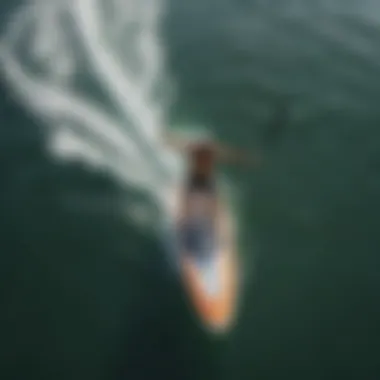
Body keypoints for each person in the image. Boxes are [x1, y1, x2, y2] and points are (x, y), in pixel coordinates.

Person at [165, 132, 260, 257]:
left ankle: (214, 232)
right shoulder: (197, 149)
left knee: (212, 205)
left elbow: (232, 156)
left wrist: (248, 160)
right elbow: (178, 145)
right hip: (194, 181)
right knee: (188, 204)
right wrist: (167, 141)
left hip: (206, 183)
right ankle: (184, 227)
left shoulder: (211, 151)